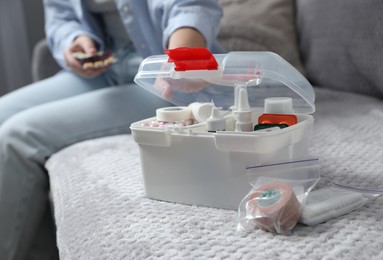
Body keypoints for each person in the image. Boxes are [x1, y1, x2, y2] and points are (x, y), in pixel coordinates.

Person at [0, 0, 224, 259]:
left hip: (162, 76)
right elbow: (61, 14)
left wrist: (182, 57)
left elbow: (191, 6)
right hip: (103, 68)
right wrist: (75, 40)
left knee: (17, 137)